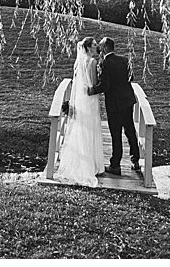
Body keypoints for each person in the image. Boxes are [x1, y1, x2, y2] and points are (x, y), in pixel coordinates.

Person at [55, 37, 105, 187]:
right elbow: (93, 82)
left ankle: (82, 161)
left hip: (80, 97)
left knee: (81, 126)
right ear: (89, 48)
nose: (97, 47)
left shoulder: (79, 61)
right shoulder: (92, 61)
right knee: (91, 127)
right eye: (95, 45)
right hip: (90, 98)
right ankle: (93, 165)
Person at [88, 36, 141, 176]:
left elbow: (105, 85)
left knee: (116, 134)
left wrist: (93, 90)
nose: (99, 49)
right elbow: (131, 78)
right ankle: (135, 161)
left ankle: (115, 165)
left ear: (105, 48)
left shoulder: (106, 63)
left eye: (100, 46)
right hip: (128, 100)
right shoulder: (124, 60)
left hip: (115, 104)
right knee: (130, 131)